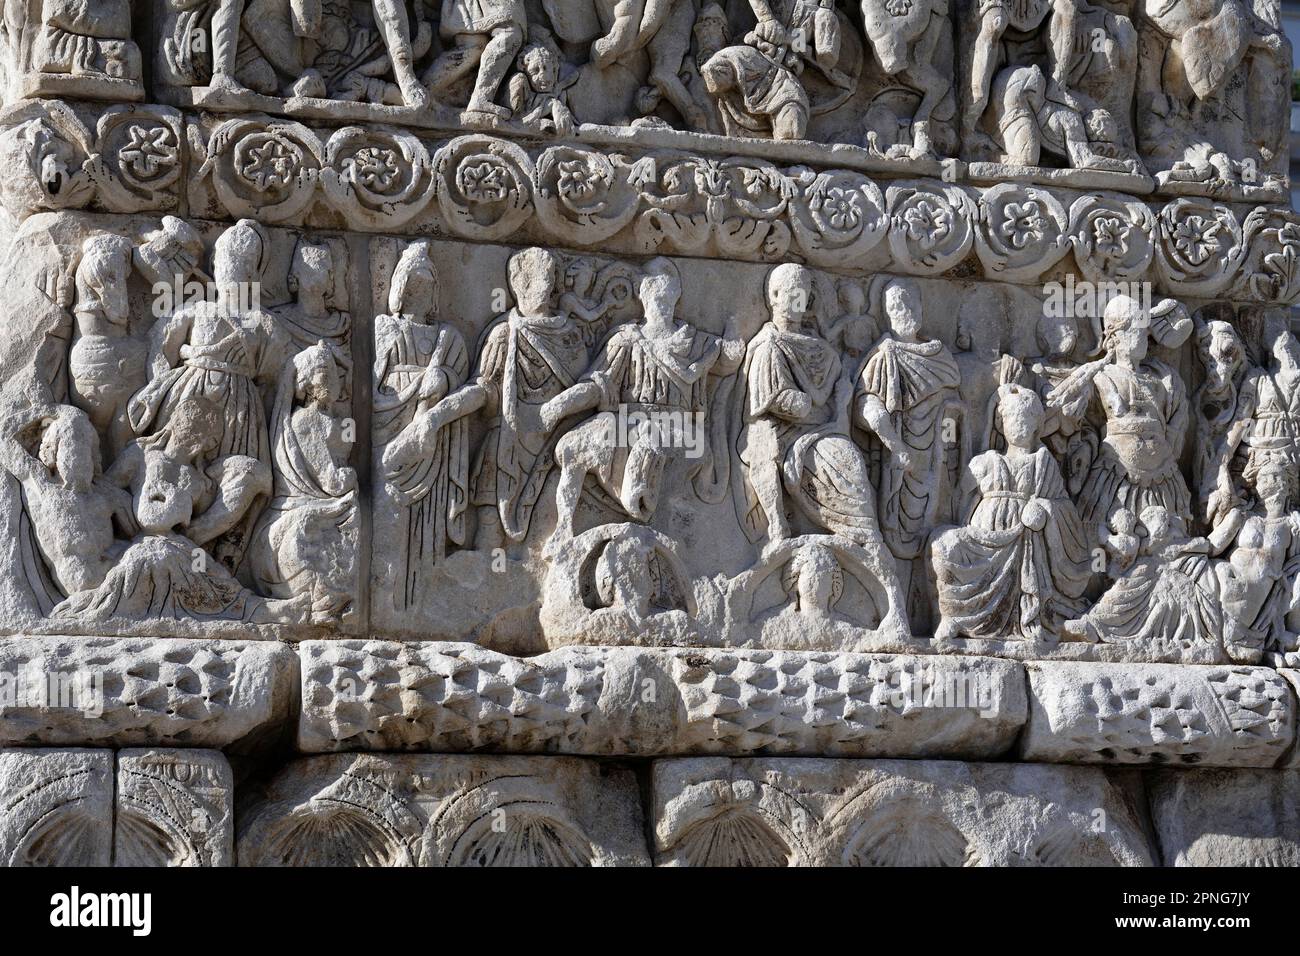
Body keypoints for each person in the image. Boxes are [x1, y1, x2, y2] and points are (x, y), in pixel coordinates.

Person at [932, 384, 1090, 641]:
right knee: (945, 545)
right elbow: (956, 499)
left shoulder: (1043, 462)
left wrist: (1046, 511)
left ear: (1037, 424)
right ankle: (954, 615)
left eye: (1026, 417)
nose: (1019, 424)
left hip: (1026, 541)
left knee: (1029, 554)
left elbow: (1065, 509)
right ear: (1001, 423)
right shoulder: (986, 462)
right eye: (1012, 417)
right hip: (985, 538)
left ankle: (1030, 615)